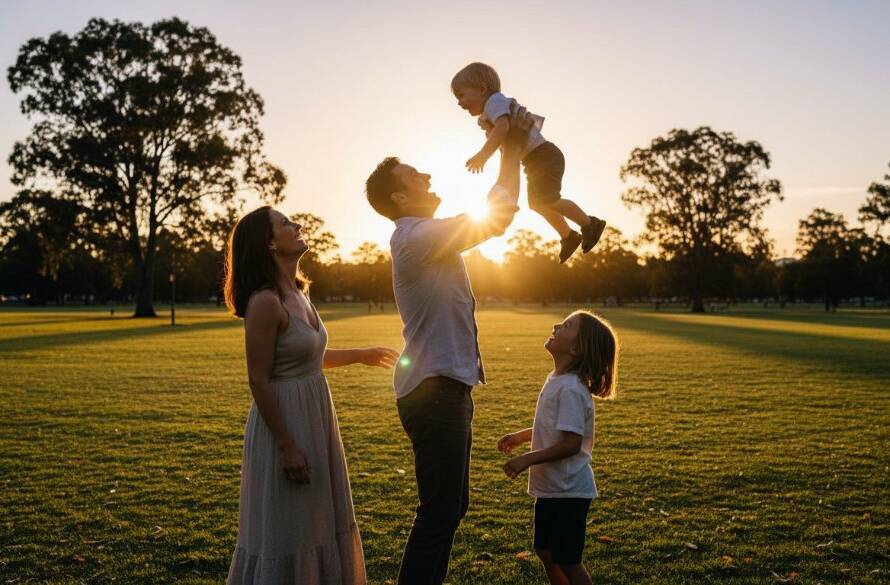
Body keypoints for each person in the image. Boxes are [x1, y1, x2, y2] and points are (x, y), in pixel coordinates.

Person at [364, 105, 533, 585]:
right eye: (414, 174)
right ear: (399, 196)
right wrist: (513, 148)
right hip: (433, 391)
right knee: (440, 511)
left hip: (445, 389)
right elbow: (496, 218)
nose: (426, 174)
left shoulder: (423, 237)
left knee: (451, 507)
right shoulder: (415, 236)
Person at [223, 206, 398, 585]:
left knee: (317, 520)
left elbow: (308, 359)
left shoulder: (300, 293)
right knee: (292, 526)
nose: (297, 224)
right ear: (269, 242)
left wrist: (362, 356)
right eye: (285, 223)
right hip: (285, 424)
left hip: (315, 415)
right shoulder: (265, 302)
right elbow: (259, 379)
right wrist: (286, 446)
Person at [498, 310, 619, 585]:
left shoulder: (571, 389)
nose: (555, 326)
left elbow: (571, 444)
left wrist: (526, 459)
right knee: (545, 551)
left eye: (566, 326)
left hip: (569, 491)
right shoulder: (557, 380)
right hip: (552, 488)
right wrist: (522, 436)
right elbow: (555, 427)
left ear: (576, 347)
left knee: (568, 560)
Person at [451, 61, 607, 263]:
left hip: (544, 156)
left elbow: (503, 129)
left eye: (461, 95)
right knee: (538, 203)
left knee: (548, 198)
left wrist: (483, 154)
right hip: (534, 161)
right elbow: (505, 138)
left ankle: (589, 224)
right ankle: (568, 236)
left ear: (482, 89)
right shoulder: (492, 109)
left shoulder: (494, 102)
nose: (459, 102)